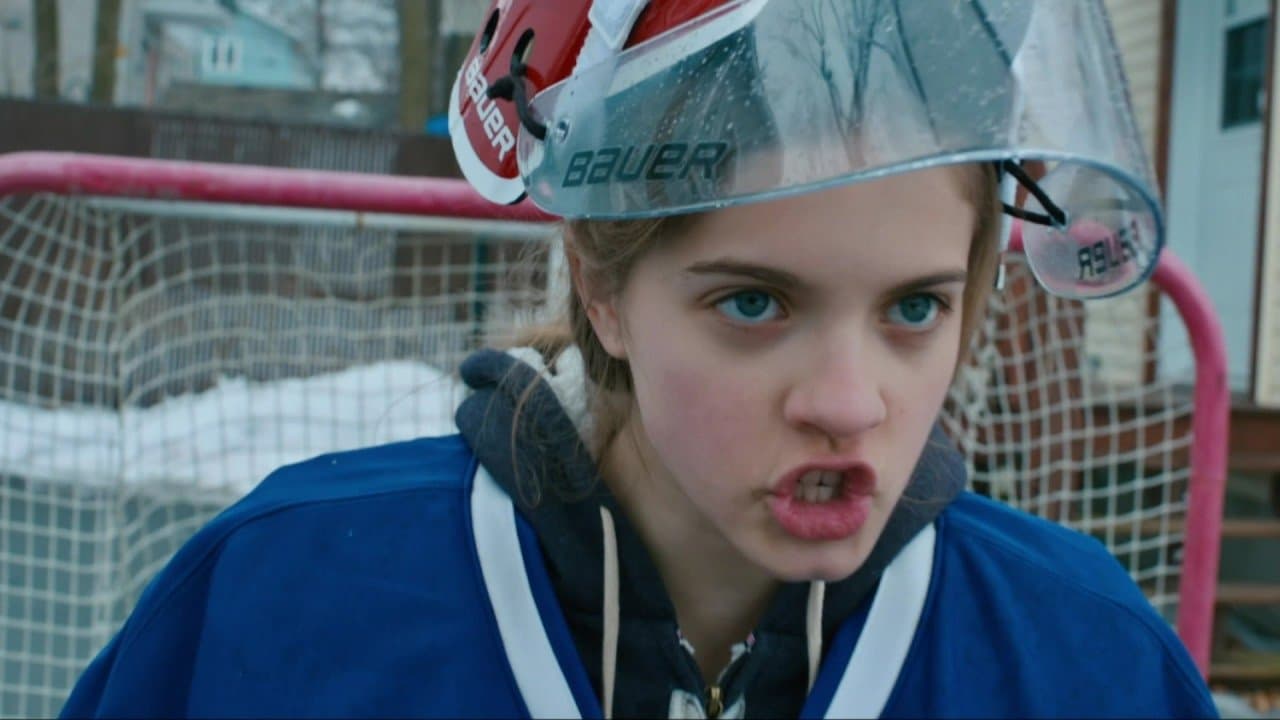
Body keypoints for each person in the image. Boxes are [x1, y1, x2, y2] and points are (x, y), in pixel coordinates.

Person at [62, 1, 1217, 718]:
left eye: (913, 308)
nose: (848, 403)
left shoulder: (1085, 658)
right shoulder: (286, 594)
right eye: (753, 303)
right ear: (601, 287)